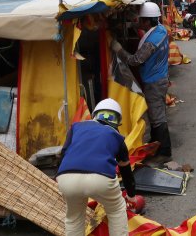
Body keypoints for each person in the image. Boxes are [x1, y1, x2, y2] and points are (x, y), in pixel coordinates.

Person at [56, 98, 137, 236]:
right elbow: (126, 171)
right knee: (116, 210)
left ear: (95, 115)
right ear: (117, 121)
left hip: (66, 177)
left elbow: (63, 154)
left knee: (74, 218)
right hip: (100, 178)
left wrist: (60, 179)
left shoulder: (76, 127)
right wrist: (131, 196)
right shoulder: (116, 136)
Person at [111, 2, 172, 163]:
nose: (140, 23)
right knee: (155, 114)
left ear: (148, 21)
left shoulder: (151, 41)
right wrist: (129, 22)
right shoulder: (161, 30)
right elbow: (143, 28)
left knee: (157, 117)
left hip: (154, 81)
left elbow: (135, 60)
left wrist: (118, 49)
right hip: (160, 78)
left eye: (142, 20)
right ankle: (155, 146)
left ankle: (165, 152)